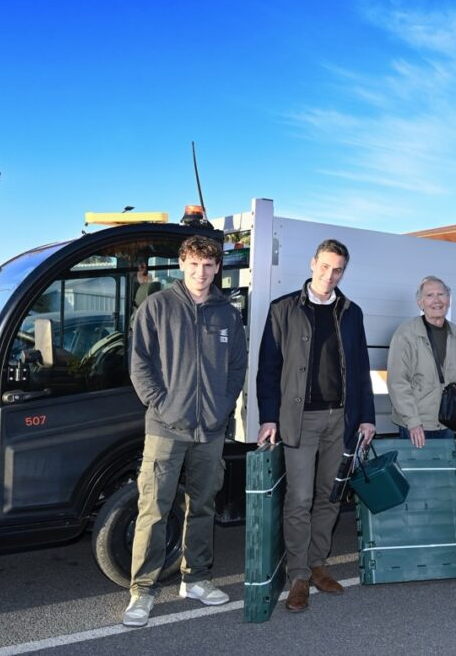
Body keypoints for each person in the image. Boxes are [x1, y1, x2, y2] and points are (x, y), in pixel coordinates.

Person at [123, 235, 247, 627]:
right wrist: (161, 403)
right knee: (154, 509)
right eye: (194, 264)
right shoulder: (157, 306)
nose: (201, 272)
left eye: (208, 265)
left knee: (203, 505)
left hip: (210, 430)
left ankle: (196, 579)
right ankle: (143, 590)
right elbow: (139, 362)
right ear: (181, 264)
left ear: (217, 268)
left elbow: (237, 367)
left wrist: (221, 407)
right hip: (165, 429)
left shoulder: (227, 315)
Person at [256, 239, 375, 613]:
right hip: (300, 420)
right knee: (300, 498)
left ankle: (318, 563)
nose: (330, 275)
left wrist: (367, 417)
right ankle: (298, 575)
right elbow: (268, 368)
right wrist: (268, 417)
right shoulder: (283, 309)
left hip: (341, 418)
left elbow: (361, 369)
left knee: (330, 495)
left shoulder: (351, 312)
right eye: (324, 266)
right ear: (312, 264)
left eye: (337, 269)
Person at [387, 276, 456, 448]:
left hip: (446, 422)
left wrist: (452, 400)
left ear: (448, 299)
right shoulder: (406, 333)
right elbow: (398, 382)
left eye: (441, 294)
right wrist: (413, 421)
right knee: (417, 466)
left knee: (445, 466)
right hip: (417, 426)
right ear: (420, 303)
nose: (437, 300)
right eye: (430, 295)